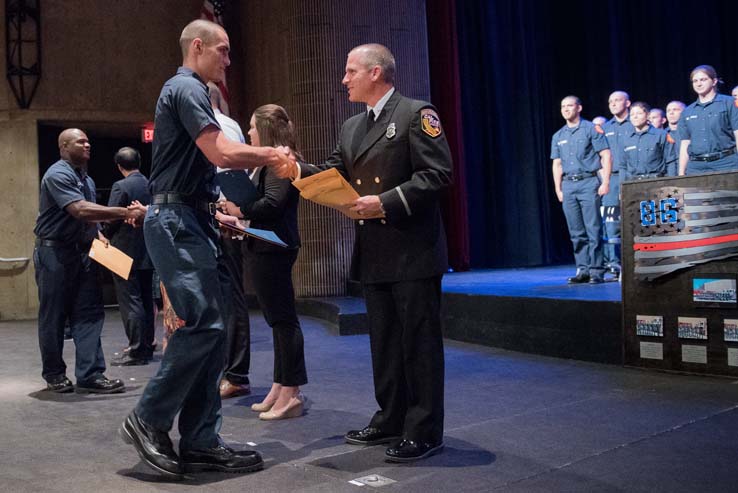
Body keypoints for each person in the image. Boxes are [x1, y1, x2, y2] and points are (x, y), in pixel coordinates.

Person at [118, 19, 293, 479]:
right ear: (198, 47)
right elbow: (220, 153)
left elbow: (200, 169)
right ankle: (148, 418)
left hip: (193, 217)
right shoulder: (186, 88)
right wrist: (273, 154)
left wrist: (217, 212)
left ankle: (200, 440)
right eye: (224, 51)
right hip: (177, 221)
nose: (229, 61)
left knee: (214, 328)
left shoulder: (191, 91)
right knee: (204, 323)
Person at [275, 43, 452, 462]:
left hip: (412, 249)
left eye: (350, 71)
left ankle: (424, 430)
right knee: (385, 342)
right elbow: (336, 170)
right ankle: (390, 417)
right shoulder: (353, 125)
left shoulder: (416, 113)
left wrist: (386, 202)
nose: (344, 79)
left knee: (419, 343)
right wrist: (297, 169)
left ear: (376, 73)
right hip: (374, 251)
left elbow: (438, 175)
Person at [33, 129, 146, 394]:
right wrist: (125, 212)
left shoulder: (88, 180)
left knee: (89, 314)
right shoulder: (57, 174)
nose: (87, 144)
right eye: (80, 141)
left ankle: (91, 374)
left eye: (88, 141)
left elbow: (87, 219)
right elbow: (80, 210)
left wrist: (97, 234)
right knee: (54, 316)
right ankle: (54, 374)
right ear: (63, 146)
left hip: (83, 253)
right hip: (54, 254)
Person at [221, 104, 306, 421]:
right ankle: (280, 385)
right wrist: (232, 215)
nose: (248, 133)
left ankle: (291, 391)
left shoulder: (280, 162)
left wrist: (239, 211)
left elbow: (272, 204)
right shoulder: (264, 165)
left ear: (267, 130)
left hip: (275, 248)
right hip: (263, 246)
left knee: (284, 321)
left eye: (253, 127)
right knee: (277, 321)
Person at [208, 83, 252, 400]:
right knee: (221, 300)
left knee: (230, 299)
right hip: (218, 216)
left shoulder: (218, 127)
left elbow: (228, 174)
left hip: (222, 219)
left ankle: (235, 373)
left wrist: (227, 212)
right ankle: (226, 369)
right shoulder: (230, 124)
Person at [103, 147, 155, 366]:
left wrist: (102, 233)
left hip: (124, 251)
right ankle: (147, 344)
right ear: (139, 162)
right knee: (146, 299)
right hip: (149, 250)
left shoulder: (120, 186)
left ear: (119, 165)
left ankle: (136, 349)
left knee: (129, 300)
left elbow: (111, 217)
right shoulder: (153, 184)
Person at [551, 96, 611, 284]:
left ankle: (596, 271)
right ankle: (583, 270)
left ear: (579, 107)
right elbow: (557, 164)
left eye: (570, 105)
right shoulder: (558, 135)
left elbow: (606, 155)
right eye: (563, 106)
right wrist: (558, 189)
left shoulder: (591, 129)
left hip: (588, 182)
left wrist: (605, 182)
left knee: (593, 229)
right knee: (576, 232)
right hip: (569, 185)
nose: (566, 109)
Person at [678, 65, 738, 175]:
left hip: (726, 163)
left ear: (714, 81)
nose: (699, 84)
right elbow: (685, 143)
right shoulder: (687, 112)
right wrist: (681, 173)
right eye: (695, 81)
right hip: (696, 167)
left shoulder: (729, 103)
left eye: (703, 79)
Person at [602, 90, 632, 278]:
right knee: (611, 221)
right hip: (611, 179)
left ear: (627, 103)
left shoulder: (635, 122)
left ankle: (636, 261)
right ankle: (614, 264)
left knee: (633, 219)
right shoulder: (605, 127)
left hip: (631, 176)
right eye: (610, 101)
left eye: (617, 100)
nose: (613, 104)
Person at [621, 102, 675, 181]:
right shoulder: (626, 138)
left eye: (639, 113)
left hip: (656, 181)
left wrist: (672, 183)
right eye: (632, 114)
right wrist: (622, 188)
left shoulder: (661, 135)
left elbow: (670, 161)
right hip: (633, 183)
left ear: (648, 115)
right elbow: (623, 166)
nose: (635, 117)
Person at [665, 101, 685, 176]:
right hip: (669, 174)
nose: (671, 113)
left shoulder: (690, 131)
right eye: (668, 111)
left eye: (675, 110)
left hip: (689, 171)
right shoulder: (662, 134)